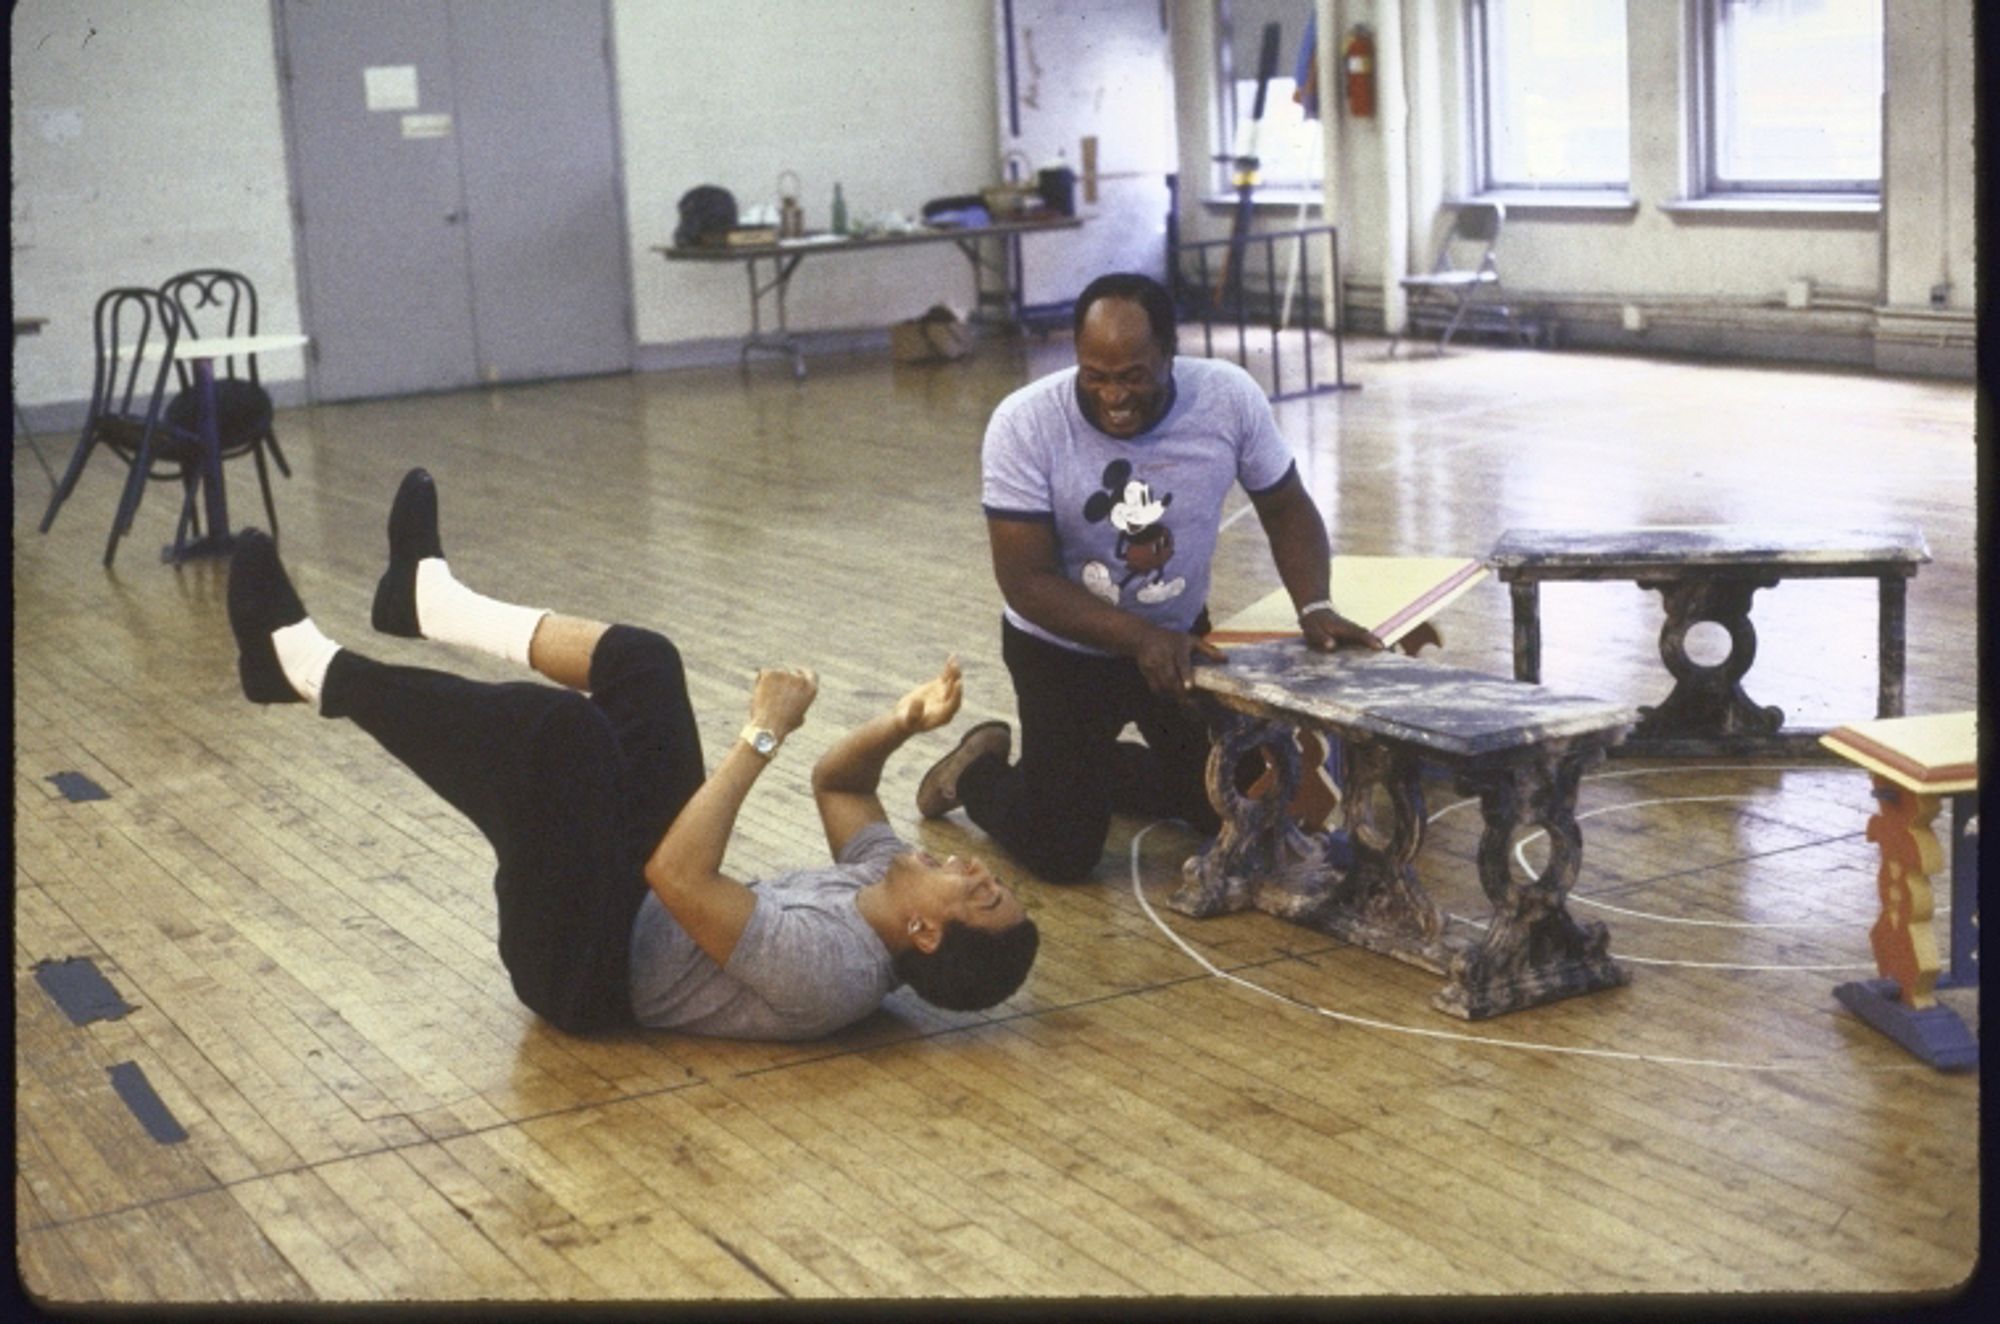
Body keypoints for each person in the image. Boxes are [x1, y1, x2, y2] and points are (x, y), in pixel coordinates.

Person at [226, 469, 1038, 1040]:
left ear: (926, 933)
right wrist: (901, 723)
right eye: (990, 880)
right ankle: (427, 600)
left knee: (561, 737)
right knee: (646, 661)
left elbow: (678, 876)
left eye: (981, 896)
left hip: (588, 971)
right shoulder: (888, 881)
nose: (977, 871)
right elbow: (840, 782)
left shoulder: (831, 970)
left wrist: (761, 733)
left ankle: (301, 667)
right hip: (649, 905)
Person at [916, 271, 1382, 884]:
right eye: (1096, 375)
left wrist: (1315, 605)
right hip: (1060, 652)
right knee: (1062, 853)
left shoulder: (1226, 397)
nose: (1114, 396)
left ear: (1170, 354)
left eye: (1134, 375)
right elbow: (1025, 580)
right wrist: (1140, 639)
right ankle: (980, 770)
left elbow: (1286, 505)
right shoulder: (1024, 422)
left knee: (1232, 811)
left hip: (1177, 643)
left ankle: (1085, 771)